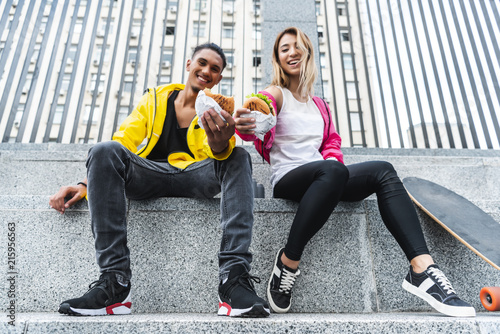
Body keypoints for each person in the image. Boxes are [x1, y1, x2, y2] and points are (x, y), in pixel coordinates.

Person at [234, 27, 475, 317]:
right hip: (289, 179)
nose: (291, 52)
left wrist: (335, 168)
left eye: (297, 46)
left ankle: (422, 269)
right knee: (333, 171)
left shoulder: (320, 105)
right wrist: (248, 122)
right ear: (277, 58)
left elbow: (331, 143)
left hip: (326, 177)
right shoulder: (276, 93)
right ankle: (288, 262)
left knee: (383, 170)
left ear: (307, 52)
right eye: (284, 48)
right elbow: (259, 114)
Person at [49, 43, 270, 318]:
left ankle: (232, 280)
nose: (206, 71)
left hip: (195, 177)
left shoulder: (218, 110)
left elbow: (219, 155)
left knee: (237, 156)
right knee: (103, 150)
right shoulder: (154, 99)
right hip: (147, 175)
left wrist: (219, 142)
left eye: (215, 69)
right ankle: (115, 282)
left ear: (219, 78)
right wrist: (84, 185)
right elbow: (122, 142)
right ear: (189, 64)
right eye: (201, 63)